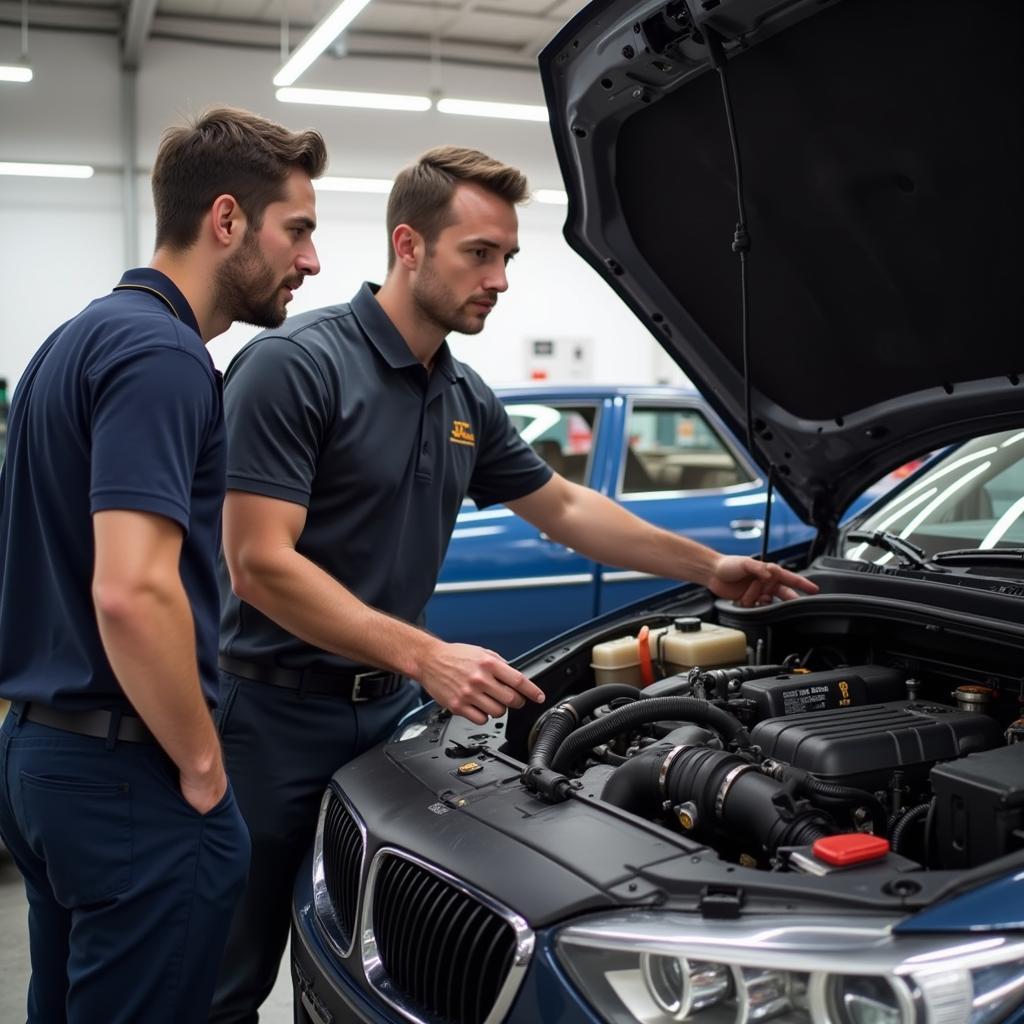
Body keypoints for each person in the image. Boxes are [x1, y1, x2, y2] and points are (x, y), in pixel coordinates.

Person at [209, 145, 818, 1022]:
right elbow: (259, 563)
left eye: (508, 258)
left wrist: (710, 566)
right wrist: (428, 654)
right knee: (228, 973)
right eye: (479, 254)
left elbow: (564, 506)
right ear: (408, 244)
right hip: (269, 719)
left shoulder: (461, 394)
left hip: (384, 720)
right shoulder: (297, 365)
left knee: (360, 945)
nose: (499, 279)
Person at [0, 107, 326, 1023]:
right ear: (227, 220)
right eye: (296, 229)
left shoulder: (73, 341)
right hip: (125, 773)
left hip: (39, 757)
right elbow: (132, 588)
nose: (311, 261)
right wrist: (202, 766)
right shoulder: (164, 355)